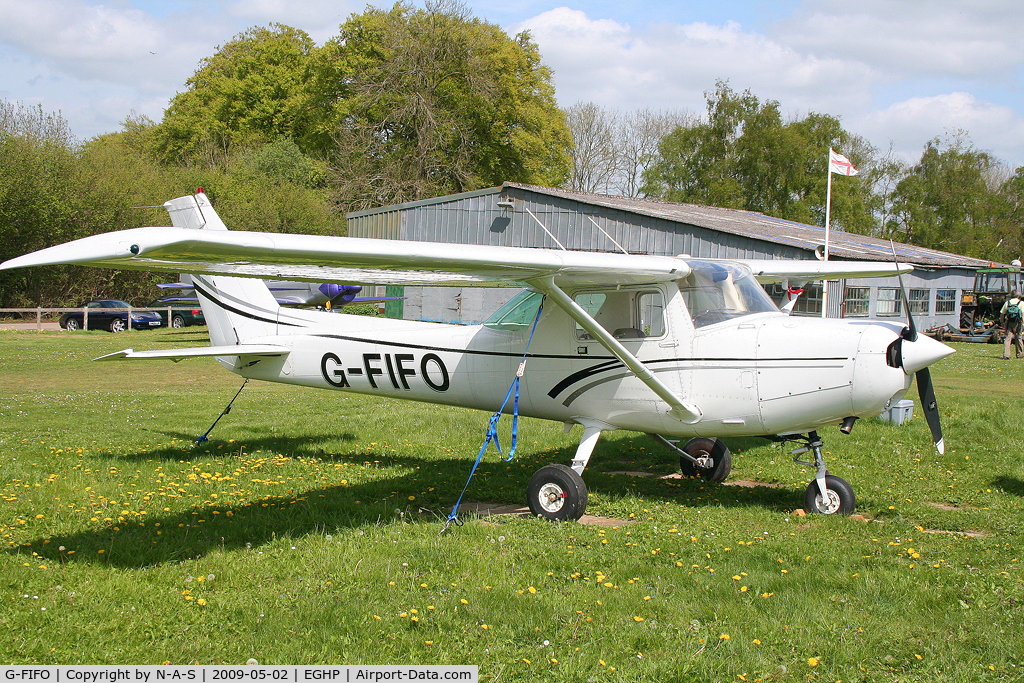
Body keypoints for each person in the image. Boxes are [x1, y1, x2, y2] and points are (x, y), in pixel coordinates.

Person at [1000, 290, 1023, 359]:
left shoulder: (1007, 303)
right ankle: (1019, 354)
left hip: (1009, 322)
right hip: (1018, 322)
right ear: (1019, 295)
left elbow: (1002, 314)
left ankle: (1006, 355)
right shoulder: (1021, 303)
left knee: (1007, 338)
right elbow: (1023, 314)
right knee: (1018, 337)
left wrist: (1002, 322)